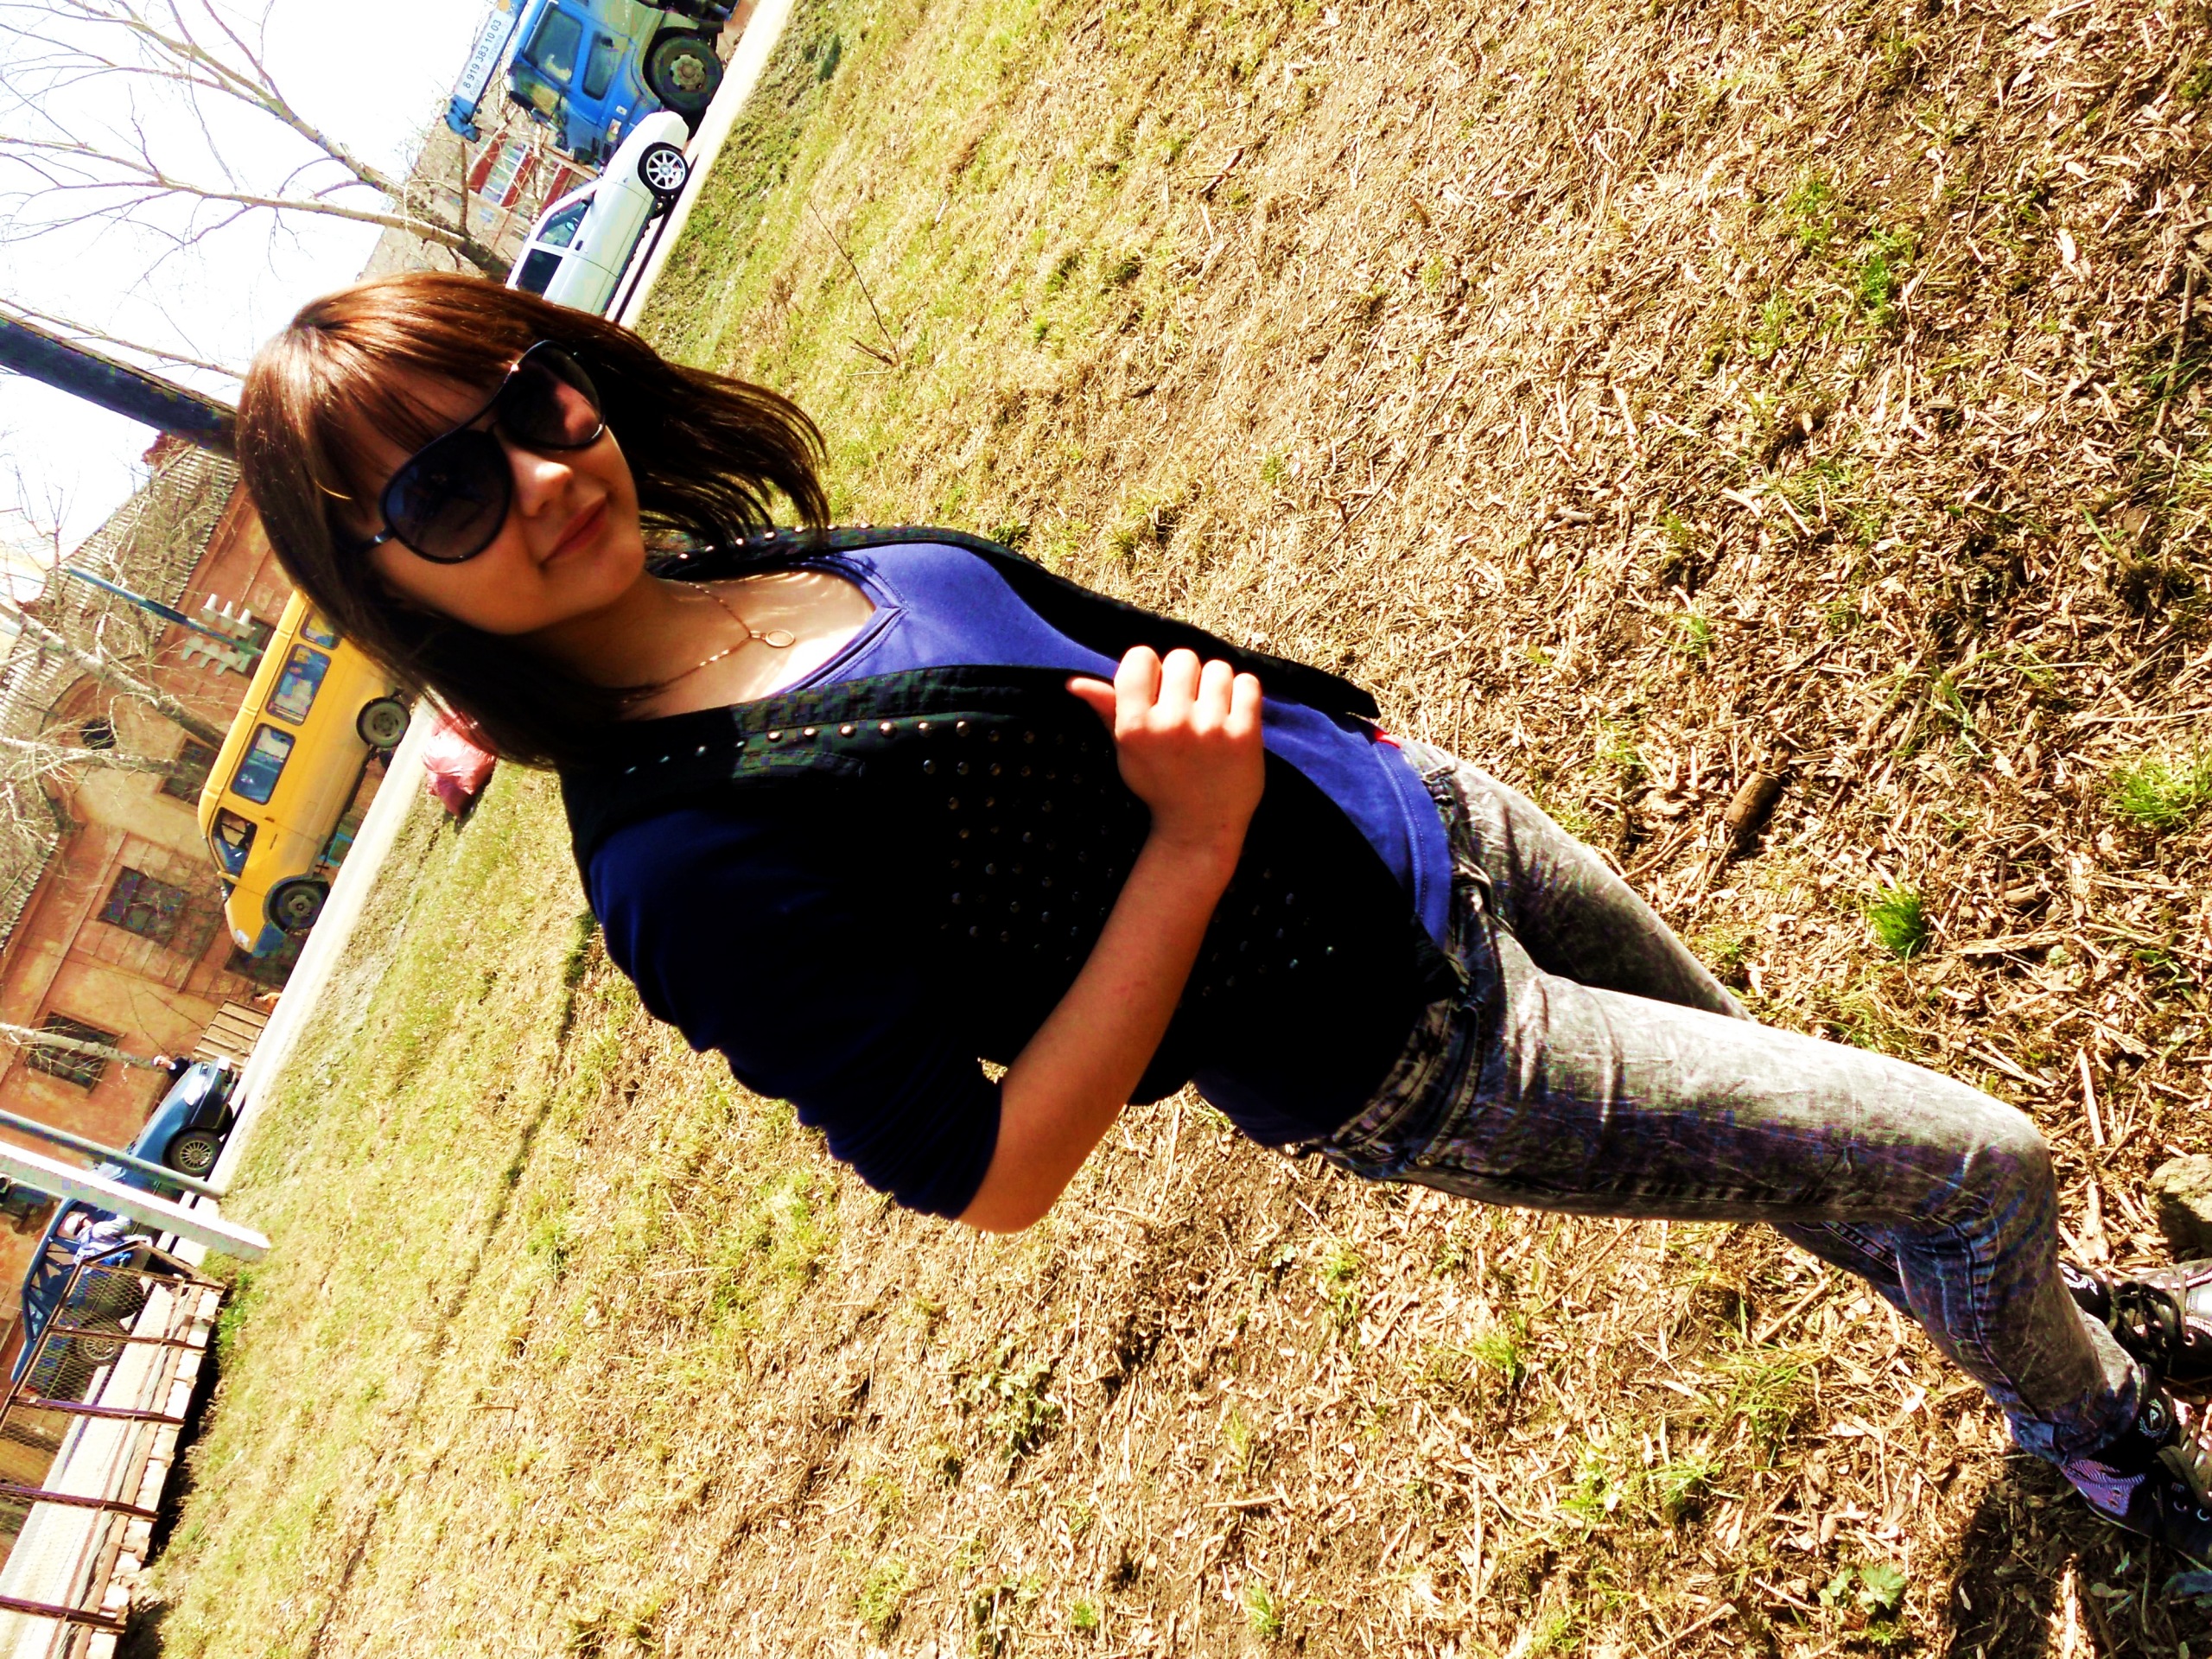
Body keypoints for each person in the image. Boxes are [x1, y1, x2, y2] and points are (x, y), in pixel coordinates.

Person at [236, 270, 2212, 1560]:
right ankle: (2109, 1436)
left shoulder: (739, 563)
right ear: (389, 584)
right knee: (1972, 1161)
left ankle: (2050, 1345)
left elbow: (1077, 642)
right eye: (446, 496)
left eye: (532, 400)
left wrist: (1332, 724)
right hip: (1414, 1049)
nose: (538, 474)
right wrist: (1188, 847)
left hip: (1436, 827)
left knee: (1808, 1134)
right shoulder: (675, 861)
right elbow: (986, 1171)